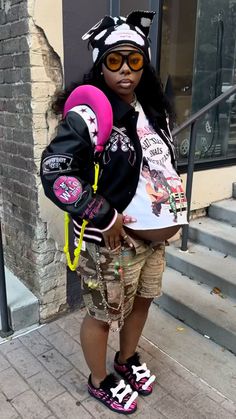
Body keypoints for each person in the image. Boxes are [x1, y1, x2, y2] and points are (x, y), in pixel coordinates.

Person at [40, 10, 188, 415]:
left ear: (144, 64)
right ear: (100, 64)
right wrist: (101, 213)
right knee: (102, 315)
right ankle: (99, 379)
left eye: (135, 60)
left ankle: (125, 360)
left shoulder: (153, 111)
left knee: (142, 303)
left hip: (154, 241)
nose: (125, 70)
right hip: (113, 242)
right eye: (115, 60)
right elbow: (56, 171)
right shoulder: (89, 114)